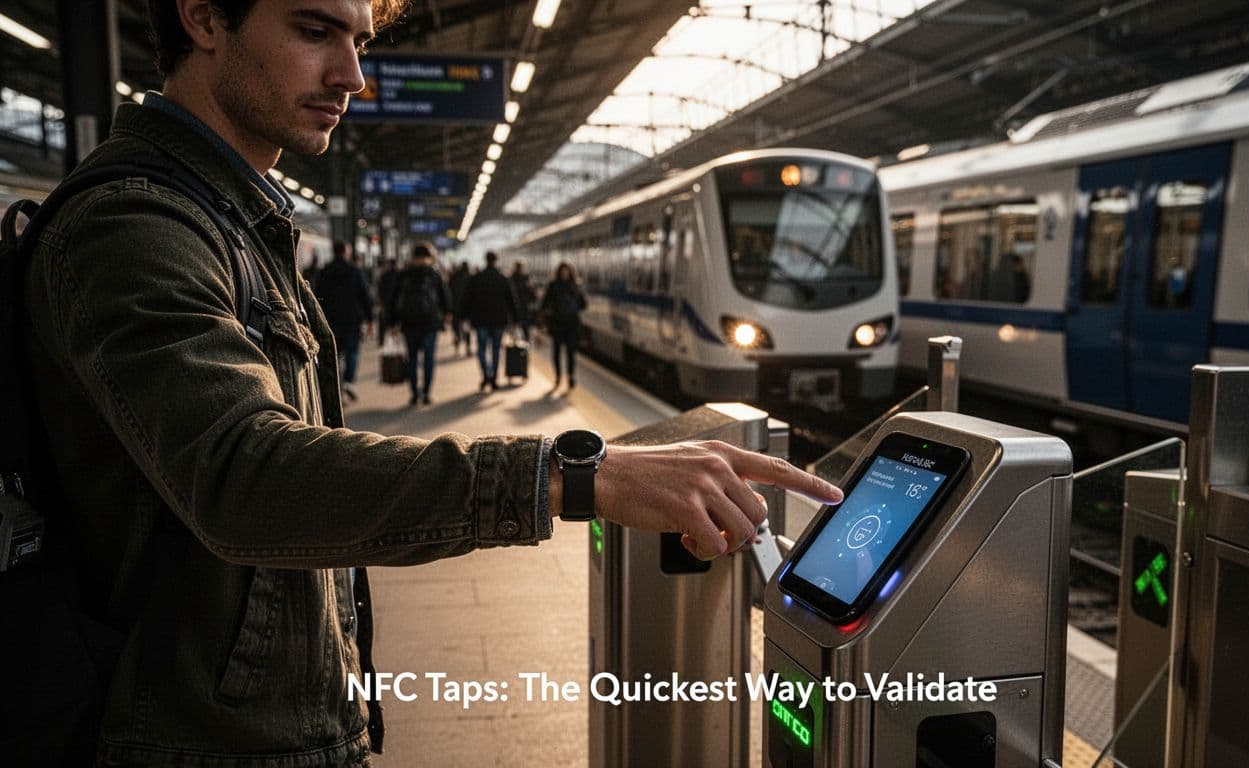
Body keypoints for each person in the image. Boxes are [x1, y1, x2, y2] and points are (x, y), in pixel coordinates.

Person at [14, 1, 845, 763]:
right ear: (201, 17)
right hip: (196, 744)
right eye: (314, 31)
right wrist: (575, 475)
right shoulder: (134, 225)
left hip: (252, 729)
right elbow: (245, 477)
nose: (352, 75)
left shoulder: (230, 221)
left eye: (360, 40)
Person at [314, 239, 373, 401]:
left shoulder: (325, 271)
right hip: (353, 319)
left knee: (334, 354)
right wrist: (370, 319)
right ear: (346, 252)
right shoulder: (355, 271)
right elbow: (365, 296)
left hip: (331, 318)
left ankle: (337, 386)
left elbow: (317, 295)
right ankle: (348, 381)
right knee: (352, 352)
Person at [394, 242, 449, 405]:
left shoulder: (405, 273)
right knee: (428, 359)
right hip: (430, 322)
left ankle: (414, 393)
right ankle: (426, 393)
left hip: (409, 322)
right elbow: (444, 295)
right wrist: (448, 312)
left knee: (412, 358)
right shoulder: (433, 273)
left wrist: (392, 322)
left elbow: (395, 298)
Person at [463, 250, 519, 391]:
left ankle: (486, 374)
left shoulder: (476, 278)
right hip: (499, 320)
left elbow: (467, 300)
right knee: (496, 349)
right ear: (496, 260)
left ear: (485, 260)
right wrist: (516, 319)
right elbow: (512, 300)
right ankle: (493, 377)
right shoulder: (502, 278)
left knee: (481, 349)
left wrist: (464, 317)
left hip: (480, 320)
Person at [542, 260, 588, 389]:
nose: (565, 274)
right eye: (563, 272)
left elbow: (583, 304)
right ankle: (558, 376)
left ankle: (570, 376)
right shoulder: (556, 286)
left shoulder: (574, 286)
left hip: (571, 324)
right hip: (558, 324)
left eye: (566, 272)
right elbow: (545, 303)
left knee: (571, 352)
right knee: (556, 352)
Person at [446, 260, 472, 356]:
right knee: (467, 330)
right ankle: (468, 347)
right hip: (467, 309)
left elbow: (448, 293)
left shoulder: (453, 277)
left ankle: (457, 346)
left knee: (456, 329)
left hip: (455, 308)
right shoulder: (470, 278)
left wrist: (449, 309)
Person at [510, 257, 537, 341]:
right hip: (520, 307)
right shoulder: (524, 278)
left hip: (522, 307)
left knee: (523, 328)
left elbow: (533, 293)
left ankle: (522, 346)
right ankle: (520, 346)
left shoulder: (514, 278)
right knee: (521, 328)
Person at [376, 255, 402, 339]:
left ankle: (382, 339)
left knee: (384, 321)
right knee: (397, 321)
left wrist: (380, 300)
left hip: (386, 302)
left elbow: (380, 289)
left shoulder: (384, 275)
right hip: (398, 302)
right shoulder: (400, 275)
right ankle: (395, 336)